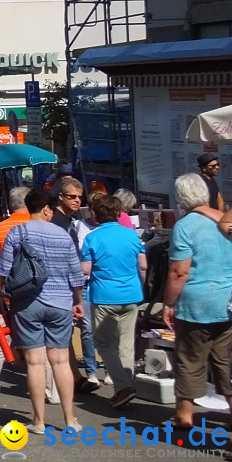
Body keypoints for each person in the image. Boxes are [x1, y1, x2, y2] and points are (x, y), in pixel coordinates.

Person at [0, 186, 84, 436]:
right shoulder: (64, 235)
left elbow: (3, 268)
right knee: (61, 361)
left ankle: (39, 420)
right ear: (47, 209)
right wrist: (77, 301)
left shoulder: (17, 232)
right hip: (61, 303)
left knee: (34, 362)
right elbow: (76, 274)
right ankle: (70, 420)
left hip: (27, 303)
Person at [162, 172, 232, 431]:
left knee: (189, 359)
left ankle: (184, 415)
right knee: (224, 361)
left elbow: (180, 271)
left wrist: (168, 303)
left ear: (181, 198)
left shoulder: (186, 225)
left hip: (196, 304)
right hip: (227, 301)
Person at [80, 193, 146, 409]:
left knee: (104, 343)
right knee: (125, 343)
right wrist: (141, 285)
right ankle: (125, 385)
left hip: (105, 295)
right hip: (131, 294)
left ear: (95, 214)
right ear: (118, 213)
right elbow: (143, 266)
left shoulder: (92, 237)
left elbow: (85, 271)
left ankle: (123, 385)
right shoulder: (132, 236)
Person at [0, 186, 35, 402]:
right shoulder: (41, 225)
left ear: (11, 205)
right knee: (38, 343)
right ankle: (50, 391)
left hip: (6, 294)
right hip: (36, 293)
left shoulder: (0, 229)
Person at [50, 177, 100, 392]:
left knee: (67, 332)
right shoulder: (55, 220)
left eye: (80, 197)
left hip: (70, 283)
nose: (77, 201)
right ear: (60, 196)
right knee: (61, 333)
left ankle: (75, 376)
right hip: (60, 284)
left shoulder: (70, 219)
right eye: (72, 197)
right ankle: (63, 380)